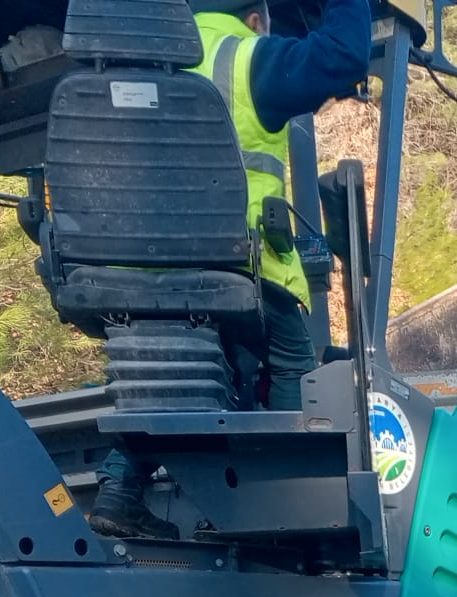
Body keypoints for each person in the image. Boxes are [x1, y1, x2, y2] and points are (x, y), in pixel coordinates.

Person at [89, 0, 374, 536]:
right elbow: (342, 56)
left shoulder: (134, 73)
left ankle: (118, 489)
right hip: (236, 272)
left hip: (136, 279)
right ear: (253, 18)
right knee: (294, 362)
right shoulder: (247, 62)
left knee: (161, 370)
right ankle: (283, 506)